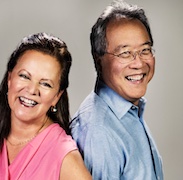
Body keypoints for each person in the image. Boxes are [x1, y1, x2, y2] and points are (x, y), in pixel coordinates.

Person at [0, 32, 92, 180]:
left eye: (45, 84)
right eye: (24, 76)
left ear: (56, 96)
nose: (32, 90)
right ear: (9, 78)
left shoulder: (64, 156)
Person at [70, 0, 163, 179]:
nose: (139, 63)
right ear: (99, 61)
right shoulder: (99, 133)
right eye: (125, 53)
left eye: (145, 50)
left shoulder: (129, 111)